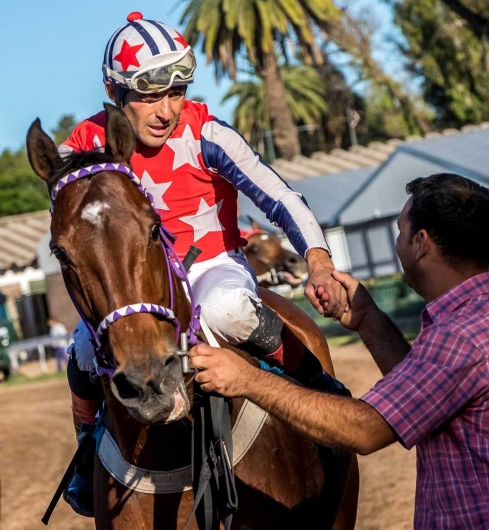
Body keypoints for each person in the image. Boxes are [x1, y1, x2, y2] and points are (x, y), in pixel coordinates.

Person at [59, 12, 349, 516]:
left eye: (176, 92)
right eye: (150, 95)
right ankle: (88, 445)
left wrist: (318, 261)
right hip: (138, 286)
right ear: (114, 91)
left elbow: (279, 197)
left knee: (226, 309)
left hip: (211, 265)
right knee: (83, 349)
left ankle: (323, 389)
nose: (166, 110)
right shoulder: (82, 144)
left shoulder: (209, 134)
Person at [189, 174, 489, 528]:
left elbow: (364, 431)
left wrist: (247, 380)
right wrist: (368, 318)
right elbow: (427, 394)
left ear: (421, 243)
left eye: (400, 231)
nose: (397, 242)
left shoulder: (463, 337)